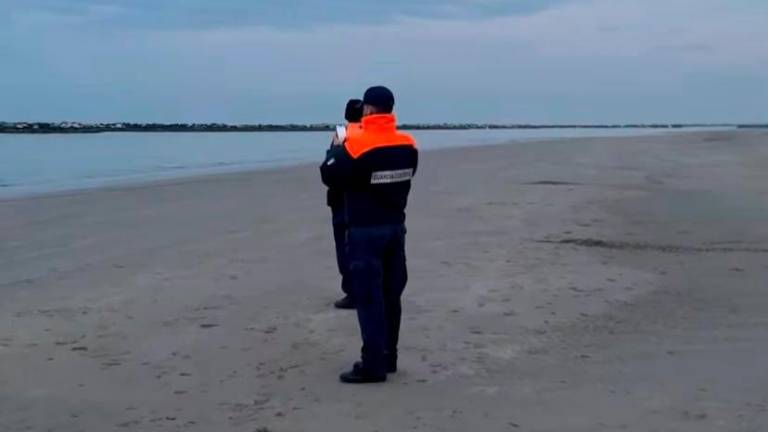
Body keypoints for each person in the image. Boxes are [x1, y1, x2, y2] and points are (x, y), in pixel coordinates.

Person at [320, 86, 418, 383]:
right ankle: (389, 357)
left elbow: (328, 174)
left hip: (364, 230)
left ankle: (373, 363)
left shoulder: (355, 143)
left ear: (369, 110)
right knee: (392, 296)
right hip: (395, 227)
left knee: (369, 298)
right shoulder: (408, 143)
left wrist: (337, 146)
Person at [327, 99, 363, 310]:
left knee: (345, 246)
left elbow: (330, 168)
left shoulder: (341, 134)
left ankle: (352, 291)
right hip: (366, 197)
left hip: (343, 198)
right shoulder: (370, 135)